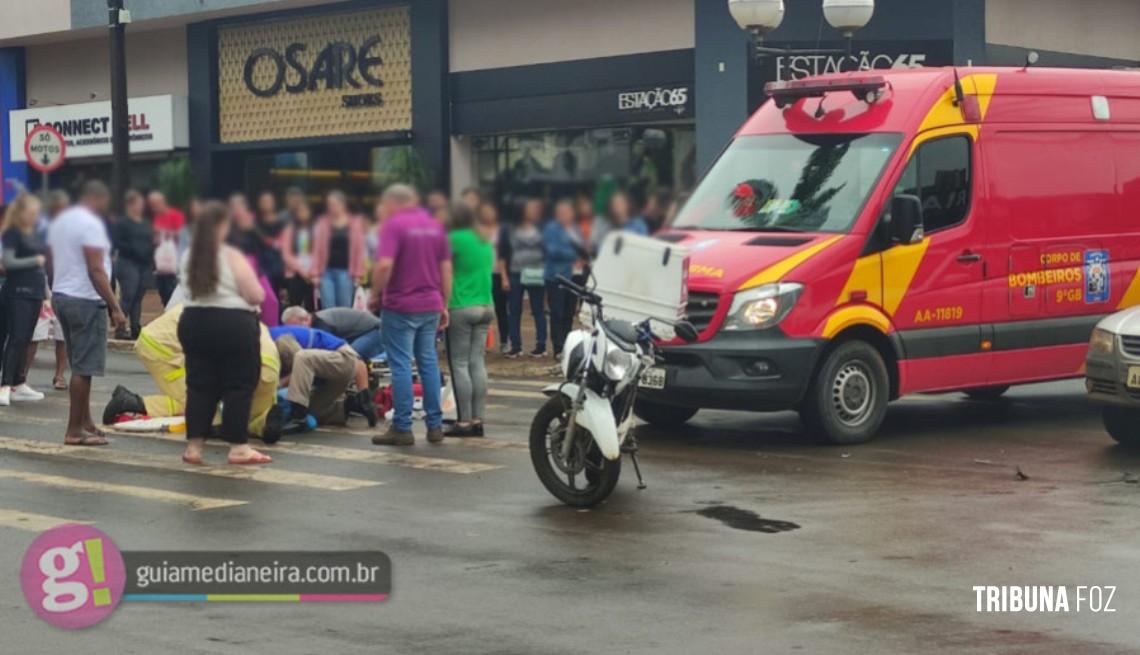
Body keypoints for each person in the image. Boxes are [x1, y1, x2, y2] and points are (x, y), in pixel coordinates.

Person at [102, 302, 284, 443]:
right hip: (163, 350)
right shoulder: (244, 320)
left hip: (163, 344)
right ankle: (130, 402)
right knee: (200, 408)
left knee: (202, 404)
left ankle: (257, 423)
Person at [177, 200, 270, 466]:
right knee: (238, 385)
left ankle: (194, 447)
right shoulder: (231, 255)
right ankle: (238, 448)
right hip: (233, 324)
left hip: (194, 322)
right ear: (221, 226)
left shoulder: (188, 256)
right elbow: (254, 293)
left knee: (199, 386)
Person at [369, 184, 452, 446]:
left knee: (401, 364)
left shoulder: (394, 226)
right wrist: (444, 304)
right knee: (428, 362)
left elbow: (384, 265)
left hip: (400, 305)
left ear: (393, 202)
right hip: (430, 303)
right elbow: (446, 268)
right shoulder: (435, 226)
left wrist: (374, 293)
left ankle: (402, 426)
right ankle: (435, 425)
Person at [47, 181, 127, 446]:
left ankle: (85, 421)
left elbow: (49, 259)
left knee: (80, 362)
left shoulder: (61, 222)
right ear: (98, 199)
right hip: (85, 299)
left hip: (63, 295)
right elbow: (96, 271)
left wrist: (56, 286)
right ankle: (74, 430)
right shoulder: (90, 225)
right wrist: (115, 306)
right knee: (84, 367)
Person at [445, 204, 494, 437]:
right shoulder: (484, 240)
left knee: (460, 363)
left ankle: (464, 421)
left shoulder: (454, 238)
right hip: (486, 304)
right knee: (477, 362)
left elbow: (443, 269)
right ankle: (478, 419)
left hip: (462, 304)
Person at [270, 324, 377, 430]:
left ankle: (298, 418)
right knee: (310, 411)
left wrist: (279, 384)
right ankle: (352, 406)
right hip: (333, 374)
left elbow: (298, 368)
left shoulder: (278, 338)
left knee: (302, 357)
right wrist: (365, 401)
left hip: (343, 359)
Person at [0, 193, 48, 406]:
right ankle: (5, 385)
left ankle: (19, 383)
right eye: (32, 211)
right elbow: (9, 262)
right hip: (17, 291)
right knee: (16, 337)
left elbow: (43, 266)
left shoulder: (36, 234)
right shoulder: (12, 232)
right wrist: (34, 259)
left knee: (26, 338)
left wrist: (47, 293)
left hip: (35, 291)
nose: (36, 215)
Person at [229, 193, 280, 325]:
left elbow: (264, 244)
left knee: (270, 301)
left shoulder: (252, 222)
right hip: (237, 268)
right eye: (236, 207)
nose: (239, 210)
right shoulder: (227, 226)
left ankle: (270, 332)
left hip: (255, 267)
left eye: (241, 206)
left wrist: (252, 229)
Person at [505, 198, 547, 358]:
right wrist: (504, 276)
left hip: (536, 273)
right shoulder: (510, 229)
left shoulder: (542, 228)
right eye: (529, 208)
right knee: (514, 310)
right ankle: (515, 345)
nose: (533, 211)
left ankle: (541, 345)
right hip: (515, 273)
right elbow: (504, 252)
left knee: (538, 310)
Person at [543, 198, 583, 359]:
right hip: (556, 276)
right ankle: (558, 348)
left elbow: (582, 246)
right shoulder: (551, 229)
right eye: (562, 212)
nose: (565, 215)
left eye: (568, 212)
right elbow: (553, 250)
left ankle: (567, 344)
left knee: (569, 312)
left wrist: (582, 255)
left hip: (574, 276)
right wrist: (573, 254)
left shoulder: (575, 228)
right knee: (557, 313)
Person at [112, 190, 155, 339]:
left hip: (144, 264)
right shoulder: (122, 223)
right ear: (130, 205)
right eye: (138, 203)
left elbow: (151, 240)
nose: (140, 207)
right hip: (128, 262)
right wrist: (135, 250)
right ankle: (120, 327)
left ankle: (135, 326)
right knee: (128, 296)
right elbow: (118, 242)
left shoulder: (145, 223)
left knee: (138, 297)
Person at [313, 191, 366, 309]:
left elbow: (359, 250)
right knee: (328, 308)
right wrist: (315, 273)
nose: (331, 207)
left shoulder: (354, 223)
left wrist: (358, 274)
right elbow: (317, 250)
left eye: (334, 204)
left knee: (344, 308)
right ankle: (329, 328)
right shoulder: (323, 223)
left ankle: (343, 328)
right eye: (329, 204)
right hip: (326, 271)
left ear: (343, 205)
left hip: (346, 272)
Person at [281, 305, 383, 361]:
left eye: (295, 327)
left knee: (348, 358)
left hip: (374, 330)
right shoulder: (316, 321)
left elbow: (330, 350)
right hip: (357, 333)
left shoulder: (321, 324)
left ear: (306, 319)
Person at [149, 190, 186, 306]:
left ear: (162, 202)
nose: (153, 208)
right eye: (151, 205)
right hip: (161, 260)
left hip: (174, 258)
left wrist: (164, 232)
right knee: (162, 289)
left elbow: (182, 235)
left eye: (155, 204)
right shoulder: (156, 217)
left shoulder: (176, 215)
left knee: (172, 289)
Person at [482, 203, 510, 354]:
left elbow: (505, 253)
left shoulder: (502, 230)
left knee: (501, 309)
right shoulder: (477, 231)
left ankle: (504, 341)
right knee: (483, 308)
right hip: (482, 275)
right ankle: (483, 342)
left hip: (498, 273)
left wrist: (505, 276)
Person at [282, 199, 318, 311]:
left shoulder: (317, 229)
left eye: (305, 210)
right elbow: (286, 254)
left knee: (311, 307)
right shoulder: (290, 229)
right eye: (300, 211)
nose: (302, 213)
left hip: (313, 274)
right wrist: (301, 271)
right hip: (295, 273)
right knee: (294, 306)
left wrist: (312, 271)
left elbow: (321, 253)